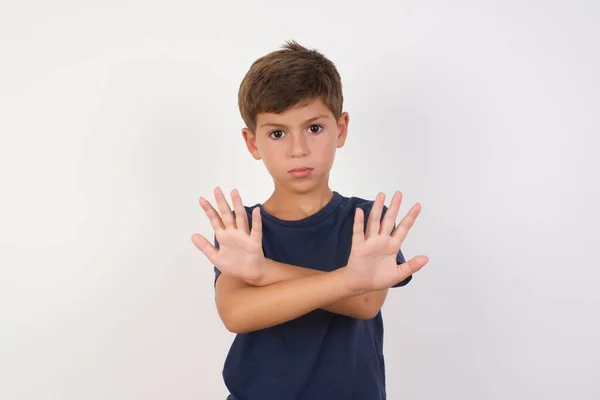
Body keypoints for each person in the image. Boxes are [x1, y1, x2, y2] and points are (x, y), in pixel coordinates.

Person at [191, 40, 429, 400]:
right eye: (277, 133)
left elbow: (364, 304)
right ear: (252, 143)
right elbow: (236, 314)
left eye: (314, 128)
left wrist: (265, 272)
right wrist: (348, 280)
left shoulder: (368, 222)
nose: (298, 148)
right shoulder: (242, 229)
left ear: (341, 128)